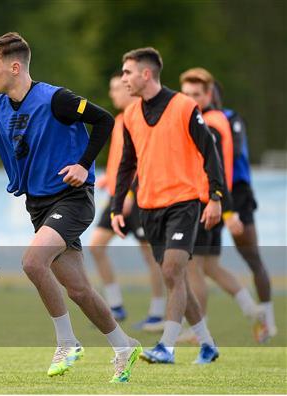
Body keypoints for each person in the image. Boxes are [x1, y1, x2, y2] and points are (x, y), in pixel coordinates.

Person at [0, 32, 141, 383]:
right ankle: (124, 345)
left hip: (72, 199)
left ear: (14, 67)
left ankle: (67, 342)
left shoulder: (56, 99)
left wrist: (82, 164)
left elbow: (105, 120)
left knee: (32, 262)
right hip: (38, 205)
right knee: (78, 289)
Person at [112, 47, 224, 364]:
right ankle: (207, 344)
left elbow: (210, 152)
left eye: (127, 73)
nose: (124, 79)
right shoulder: (131, 115)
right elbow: (126, 165)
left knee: (174, 269)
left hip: (184, 204)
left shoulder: (184, 107)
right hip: (150, 207)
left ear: (146, 74)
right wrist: (117, 208)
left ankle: (166, 347)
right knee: (176, 278)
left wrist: (216, 197)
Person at [179, 67, 268, 343]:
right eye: (186, 93)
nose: (191, 98)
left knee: (193, 267)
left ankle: (199, 330)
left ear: (209, 95)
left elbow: (216, 169)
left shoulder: (210, 124)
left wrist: (224, 207)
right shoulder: (212, 119)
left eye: (197, 94)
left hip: (206, 203)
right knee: (209, 267)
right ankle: (252, 309)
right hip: (212, 202)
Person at [90, 72, 165, 331]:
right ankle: (115, 306)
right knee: (96, 246)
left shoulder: (141, 117)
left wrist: (130, 194)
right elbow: (121, 162)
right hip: (117, 195)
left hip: (138, 197)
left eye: (116, 89)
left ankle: (157, 313)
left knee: (151, 256)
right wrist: (108, 180)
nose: (112, 94)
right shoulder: (121, 119)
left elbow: (143, 162)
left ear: (129, 90)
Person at [212, 81, 277, 339]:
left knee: (252, 257)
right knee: (200, 261)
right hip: (210, 193)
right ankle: (201, 327)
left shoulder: (231, 118)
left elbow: (234, 150)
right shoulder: (196, 119)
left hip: (237, 192)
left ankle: (268, 319)